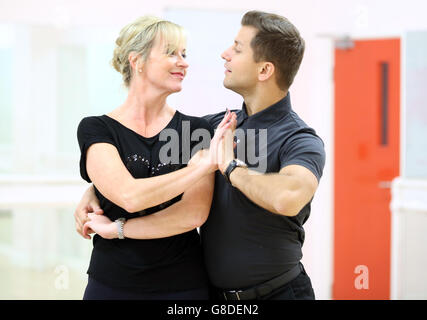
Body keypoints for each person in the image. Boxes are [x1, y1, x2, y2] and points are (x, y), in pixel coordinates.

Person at [75, 11, 325, 300]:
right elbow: (153, 168)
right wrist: (98, 188)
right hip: (216, 296)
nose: (224, 54)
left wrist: (230, 167)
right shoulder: (215, 126)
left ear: (264, 71)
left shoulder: (299, 139)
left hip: (278, 294)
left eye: (237, 48)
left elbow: (288, 196)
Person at [76, 15, 236, 300]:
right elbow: (129, 196)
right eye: (171, 53)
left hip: (182, 286)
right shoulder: (96, 128)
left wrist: (118, 228)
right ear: (137, 61)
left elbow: (192, 214)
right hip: (111, 283)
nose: (183, 62)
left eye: (184, 54)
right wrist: (202, 165)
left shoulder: (195, 130)